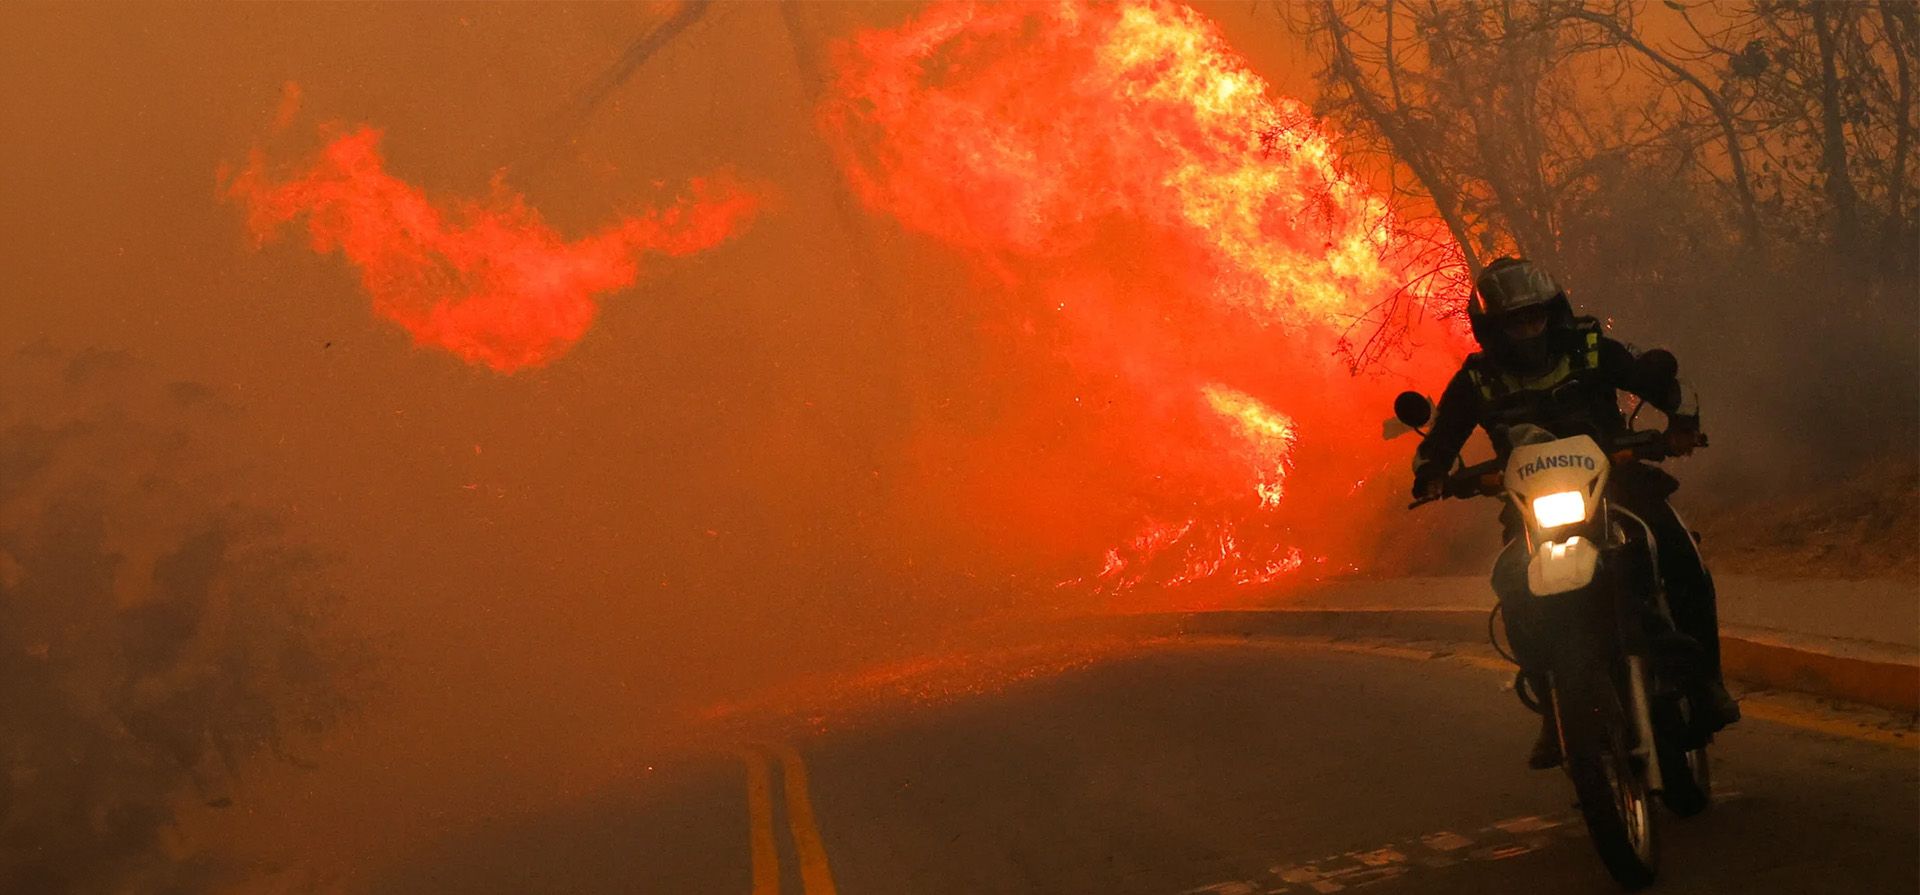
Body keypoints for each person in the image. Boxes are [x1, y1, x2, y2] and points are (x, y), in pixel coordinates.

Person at [1411, 256, 1741, 769]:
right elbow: (1439, 440)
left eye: (1535, 317)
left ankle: (1708, 684)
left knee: (1677, 550)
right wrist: (1433, 473)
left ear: (1553, 312)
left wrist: (1680, 424)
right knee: (1511, 580)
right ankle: (1555, 710)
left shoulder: (1591, 346)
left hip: (1619, 483)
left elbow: (1661, 384)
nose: (1528, 330)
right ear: (1492, 329)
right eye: (1514, 322)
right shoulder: (1478, 379)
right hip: (1531, 506)